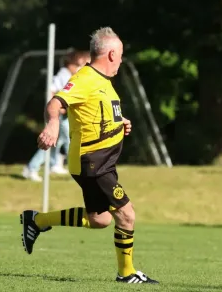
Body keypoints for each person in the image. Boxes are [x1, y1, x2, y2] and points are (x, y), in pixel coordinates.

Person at [19, 27, 158, 284]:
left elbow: (97, 114)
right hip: (94, 162)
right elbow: (55, 103)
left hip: (102, 161)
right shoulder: (86, 78)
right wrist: (51, 125)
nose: (122, 59)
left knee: (100, 219)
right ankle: (126, 273)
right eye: (121, 54)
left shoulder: (103, 83)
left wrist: (120, 123)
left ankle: (37, 220)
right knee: (126, 214)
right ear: (113, 54)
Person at [22, 50, 90, 182]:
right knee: (66, 141)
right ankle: (32, 168)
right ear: (70, 63)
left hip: (65, 115)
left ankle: (54, 164)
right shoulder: (64, 74)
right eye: (78, 63)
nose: (79, 67)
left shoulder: (71, 74)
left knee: (59, 141)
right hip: (59, 115)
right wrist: (58, 107)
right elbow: (52, 90)